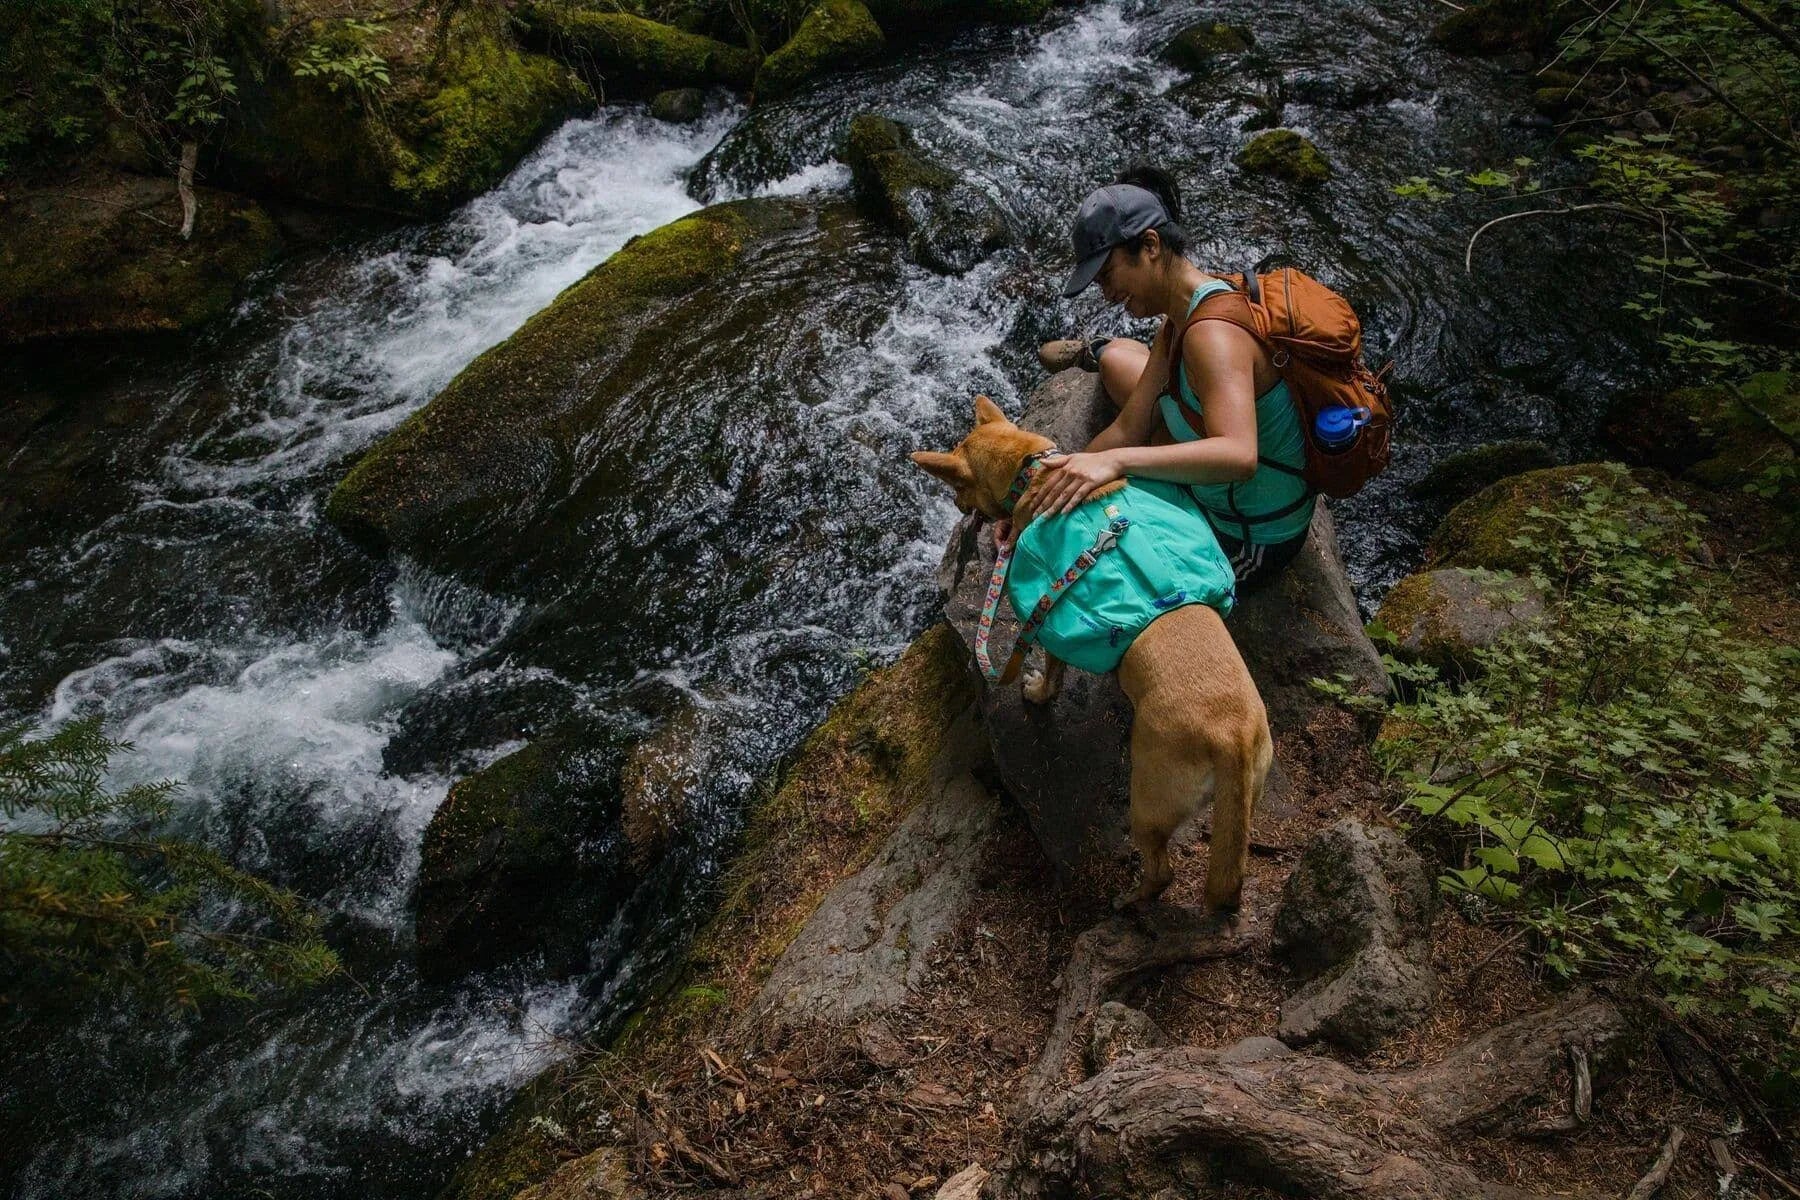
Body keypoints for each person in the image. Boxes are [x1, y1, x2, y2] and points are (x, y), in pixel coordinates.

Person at [1020, 166, 1314, 591]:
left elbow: (1238, 456)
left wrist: (1114, 463)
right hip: (1210, 473)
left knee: (1092, 569)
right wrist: (1047, 488)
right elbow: (1129, 428)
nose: (1106, 294)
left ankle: (1107, 351)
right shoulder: (1179, 320)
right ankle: (1103, 350)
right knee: (1121, 372)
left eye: (1107, 275)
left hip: (1253, 538)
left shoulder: (1211, 334)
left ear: (1151, 245)